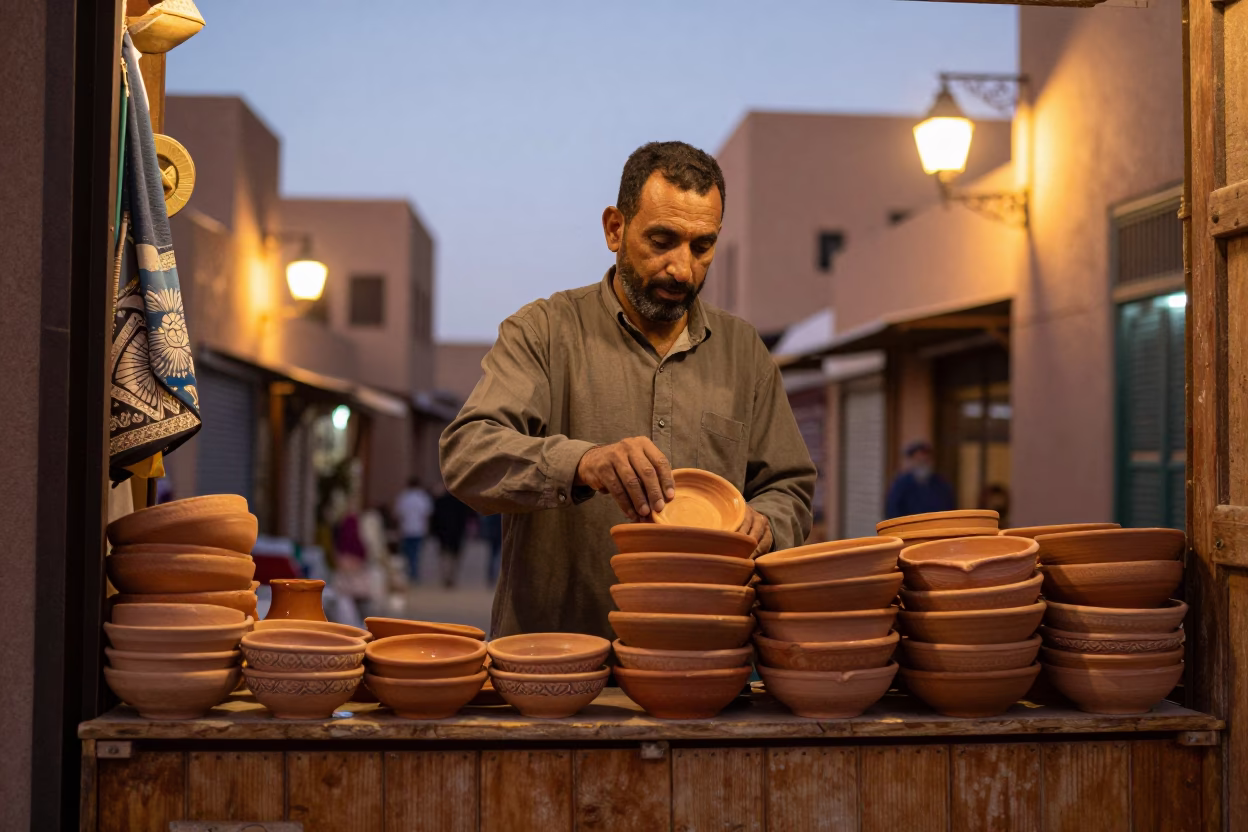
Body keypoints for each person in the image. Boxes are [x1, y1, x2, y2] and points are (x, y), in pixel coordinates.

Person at [440, 141, 817, 640]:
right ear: (615, 229)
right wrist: (582, 463)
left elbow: (789, 488)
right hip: (557, 667)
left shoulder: (744, 353)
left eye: (702, 246)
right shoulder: (543, 332)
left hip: (702, 658)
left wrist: (767, 522)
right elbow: (467, 455)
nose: (682, 269)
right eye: (662, 241)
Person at [884, 440, 956, 519]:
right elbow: (892, 510)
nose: (921, 464)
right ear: (911, 461)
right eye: (918, 460)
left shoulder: (941, 484)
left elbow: (949, 509)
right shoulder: (900, 484)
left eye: (925, 460)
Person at [430, 487, 476, 589]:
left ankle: (446, 576)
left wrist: (434, 532)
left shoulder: (440, 501)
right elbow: (469, 516)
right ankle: (451, 576)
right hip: (457, 533)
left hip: (443, 533)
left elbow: (434, 519)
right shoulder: (461, 503)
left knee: (444, 556)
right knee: (455, 557)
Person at [394, 476, 433, 581]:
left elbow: (399, 515)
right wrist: (427, 529)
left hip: (406, 528)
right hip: (419, 529)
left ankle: (409, 572)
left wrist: (399, 529)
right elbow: (426, 515)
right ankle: (414, 573)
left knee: (407, 553)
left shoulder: (403, 497)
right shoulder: (423, 497)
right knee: (416, 553)